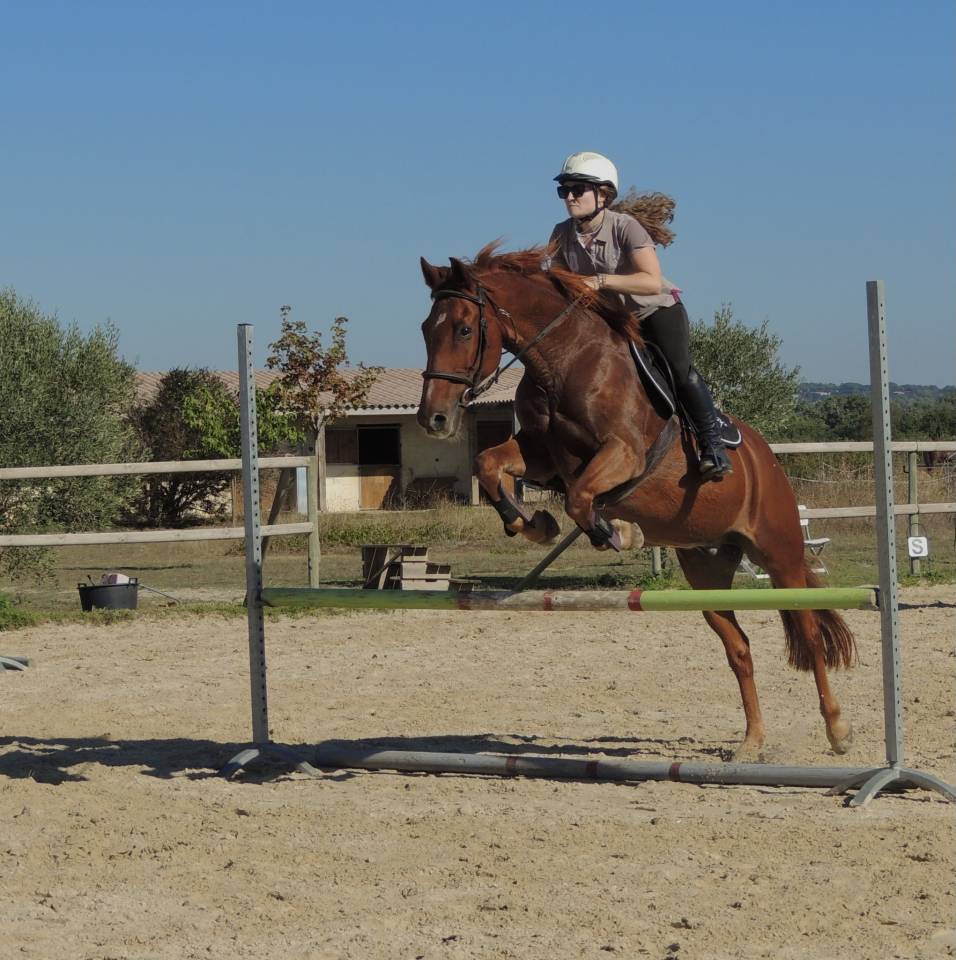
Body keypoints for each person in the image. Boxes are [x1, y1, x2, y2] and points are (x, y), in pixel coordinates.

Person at [549, 151, 732, 479]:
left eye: (578, 189)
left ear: (603, 194)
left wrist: (600, 281)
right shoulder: (561, 234)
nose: (570, 197)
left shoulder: (625, 227)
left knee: (679, 371)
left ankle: (713, 446)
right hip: (612, 320)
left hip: (654, 310)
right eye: (564, 190)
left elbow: (650, 281)